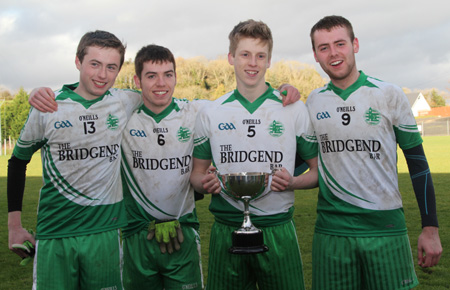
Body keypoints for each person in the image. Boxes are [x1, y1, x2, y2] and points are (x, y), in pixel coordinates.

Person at [306, 15, 442, 290]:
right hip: (332, 233)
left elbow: (417, 163)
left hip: (386, 230)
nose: (333, 53)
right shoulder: (313, 101)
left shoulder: (388, 94)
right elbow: (302, 161)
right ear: (316, 55)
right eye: (324, 47)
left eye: (340, 43)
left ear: (355, 44)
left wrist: (430, 228)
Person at [7, 30, 142, 290]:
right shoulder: (48, 106)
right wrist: (14, 226)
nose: (102, 75)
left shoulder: (125, 101)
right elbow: (17, 161)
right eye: (95, 64)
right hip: (55, 233)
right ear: (78, 62)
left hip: (105, 232)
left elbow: (162, 96)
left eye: (111, 67)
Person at [190, 19, 319, 290]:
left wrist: (294, 182)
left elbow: (319, 172)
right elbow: (197, 175)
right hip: (226, 228)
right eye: (245, 54)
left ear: (269, 61)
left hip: (278, 229)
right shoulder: (211, 112)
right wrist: (205, 183)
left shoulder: (292, 108)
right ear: (231, 57)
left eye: (260, 56)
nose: (252, 63)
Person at [120, 44, 206, 290]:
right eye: (151, 76)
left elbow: (237, 103)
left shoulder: (193, 112)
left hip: (184, 233)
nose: (161, 83)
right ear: (137, 80)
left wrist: (283, 90)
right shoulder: (122, 113)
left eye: (168, 74)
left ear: (176, 77)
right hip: (137, 235)